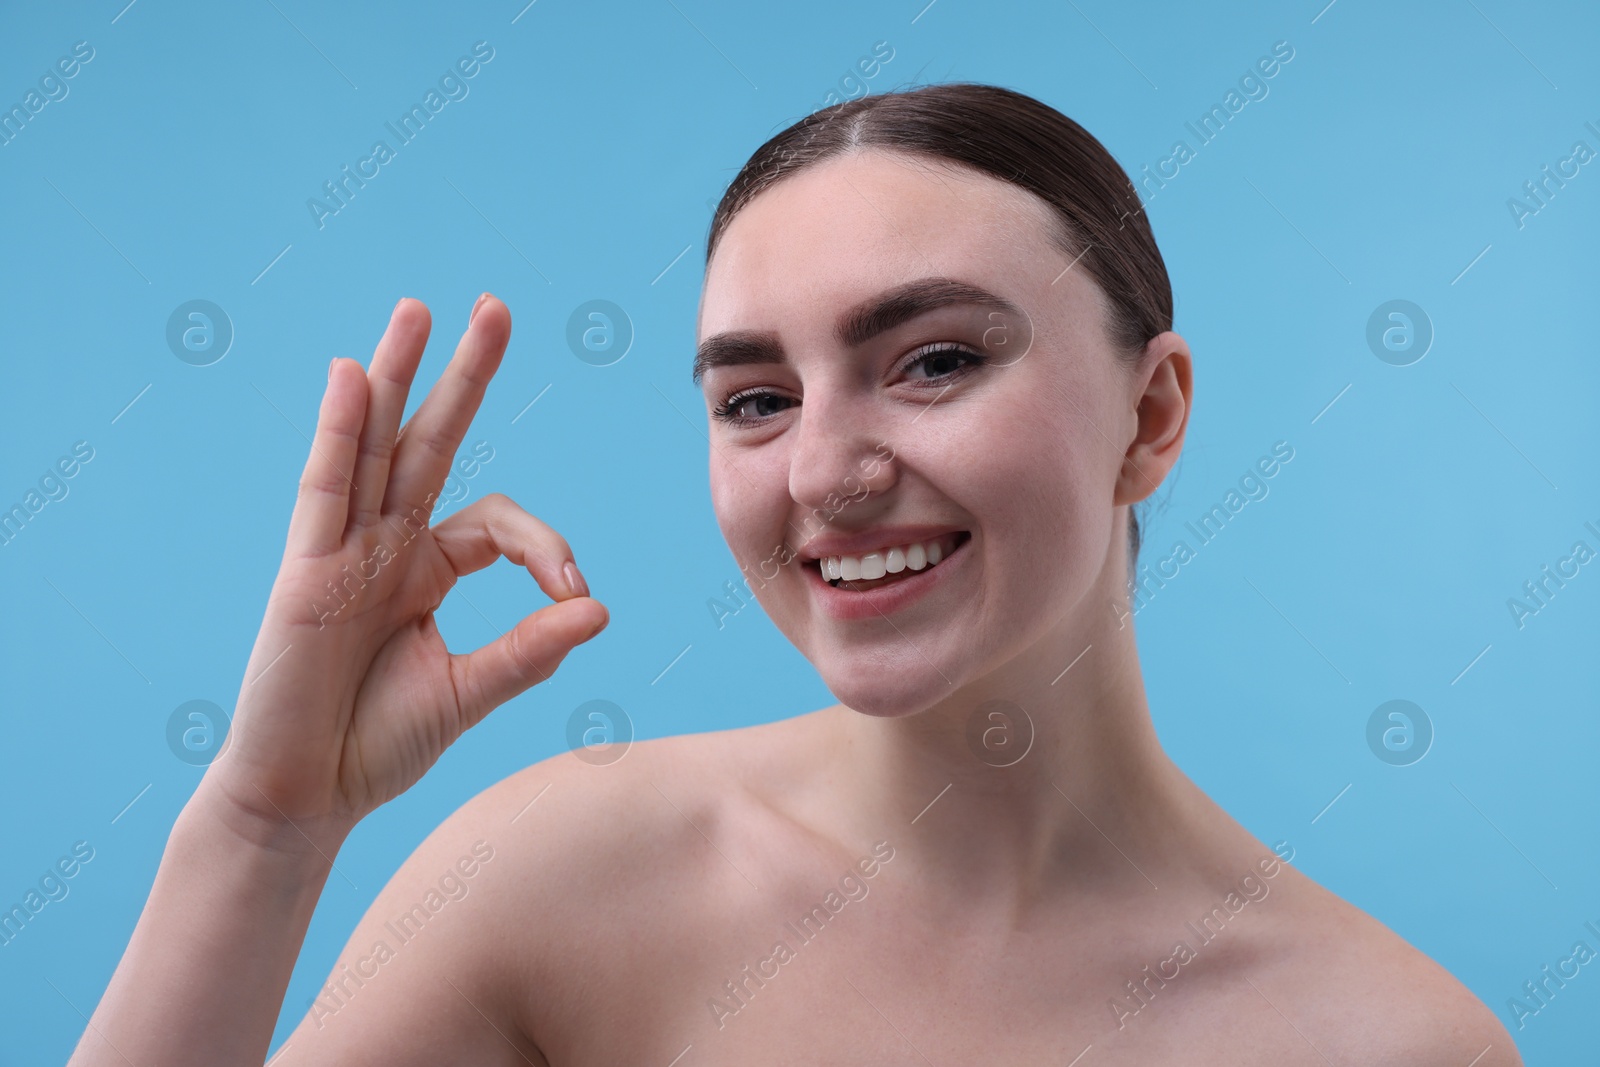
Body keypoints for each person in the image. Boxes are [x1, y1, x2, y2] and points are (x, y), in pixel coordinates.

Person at [69, 82, 1519, 1066]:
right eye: (755, 399)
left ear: (1152, 416)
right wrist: (265, 827)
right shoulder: (565, 879)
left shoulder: (1387, 1039)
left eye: (935, 361)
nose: (826, 472)